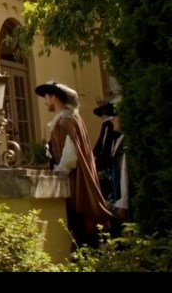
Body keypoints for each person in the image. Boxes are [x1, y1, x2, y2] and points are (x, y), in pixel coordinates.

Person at [36, 81, 114, 250]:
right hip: (72, 178)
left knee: (79, 227)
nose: (45, 102)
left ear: (54, 98)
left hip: (74, 182)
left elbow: (70, 157)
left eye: (47, 97)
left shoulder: (66, 122)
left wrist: (57, 174)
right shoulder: (70, 120)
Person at [91, 98, 120, 199]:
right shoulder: (108, 125)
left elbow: (103, 145)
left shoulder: (107, 125)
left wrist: (98, 162)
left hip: (106, 164)